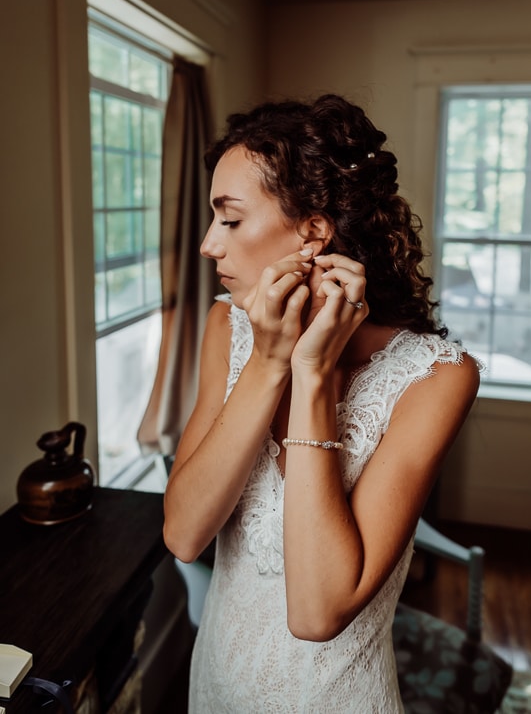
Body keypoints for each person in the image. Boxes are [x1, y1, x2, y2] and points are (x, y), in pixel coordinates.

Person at [163, 93, 480, 713]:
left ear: (313, 229)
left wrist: (312, 375)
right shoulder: (227, 329)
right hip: (215, 685)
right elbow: (183, 534)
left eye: (229, 219)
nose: (207, 244)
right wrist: (268, 361)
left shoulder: (436, 378)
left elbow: (317, 610)